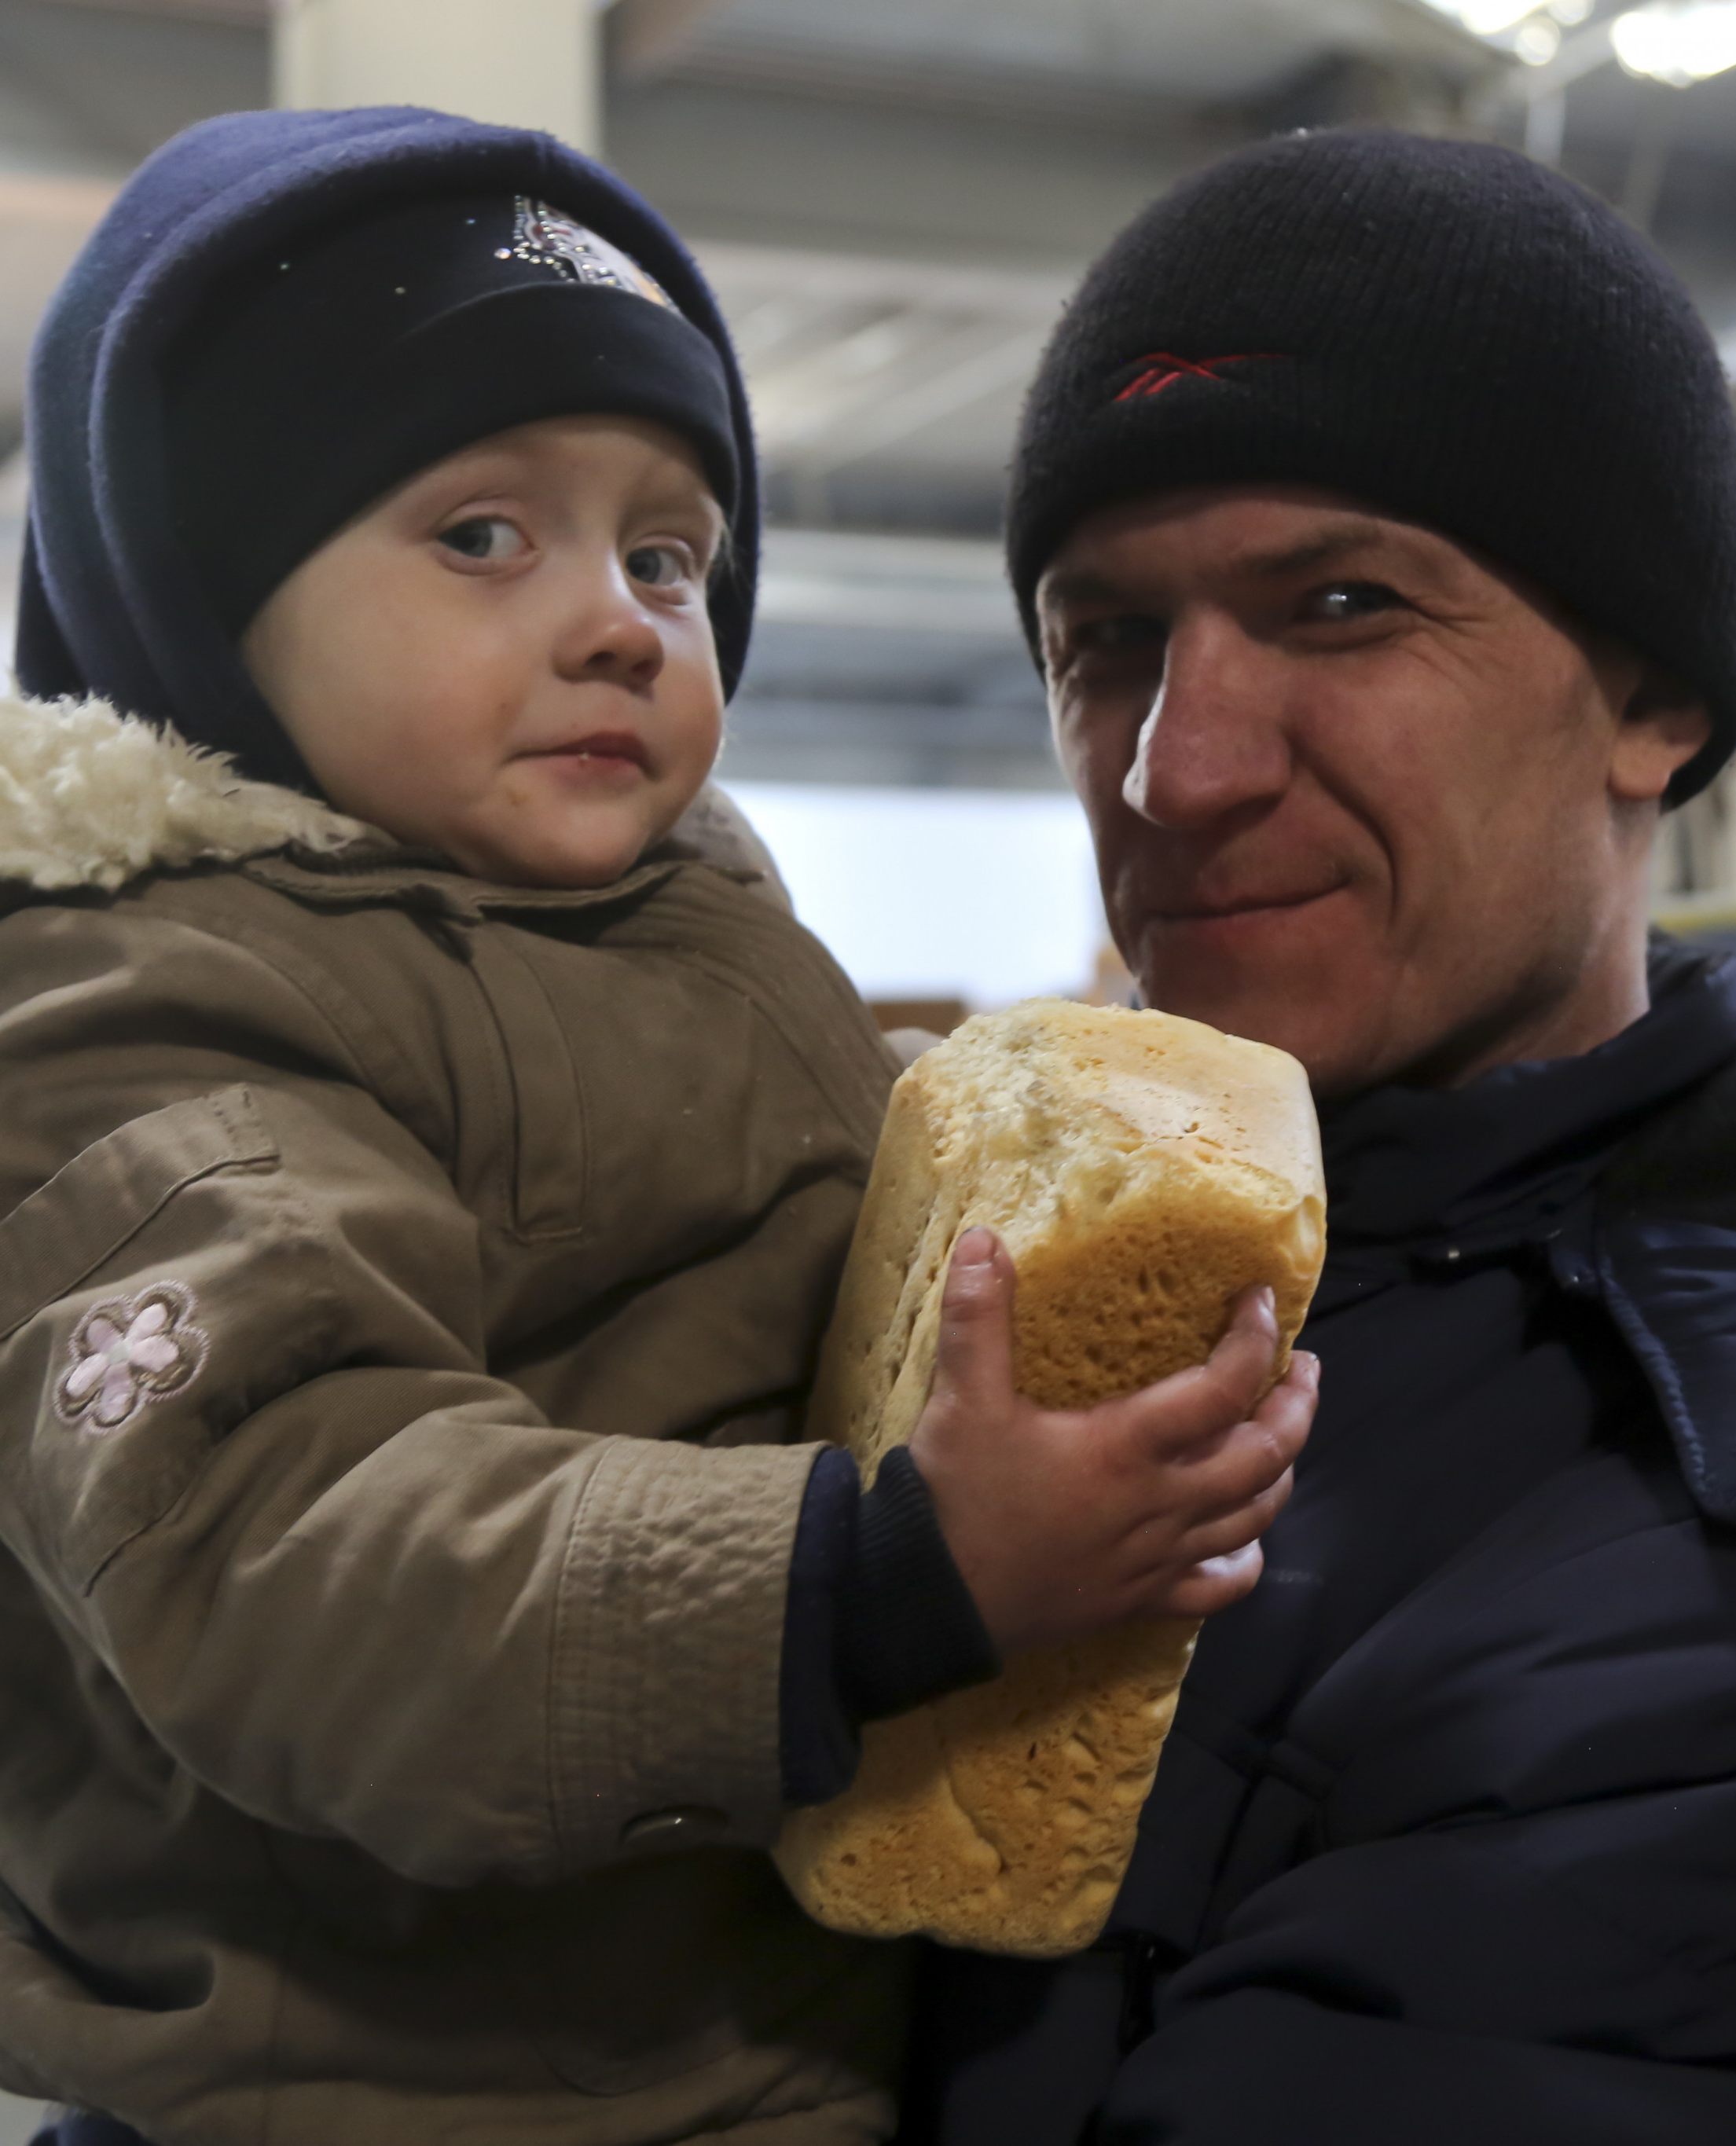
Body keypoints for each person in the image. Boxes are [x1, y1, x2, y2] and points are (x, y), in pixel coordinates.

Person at [0, 107, 1316, 2146]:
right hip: (396, 2091)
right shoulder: (146, 1015)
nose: (620, 616)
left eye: (667, 553)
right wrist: (887, 1574)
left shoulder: (692, 928)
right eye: (479, 535)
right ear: (204, 599)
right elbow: (287, 1551)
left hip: (746, 2039)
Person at [903, 127, 1736, 2145]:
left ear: (1652, 700)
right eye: (1106, 638)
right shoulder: (1067, 1286)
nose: (1175, 769)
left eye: (1337, 604)